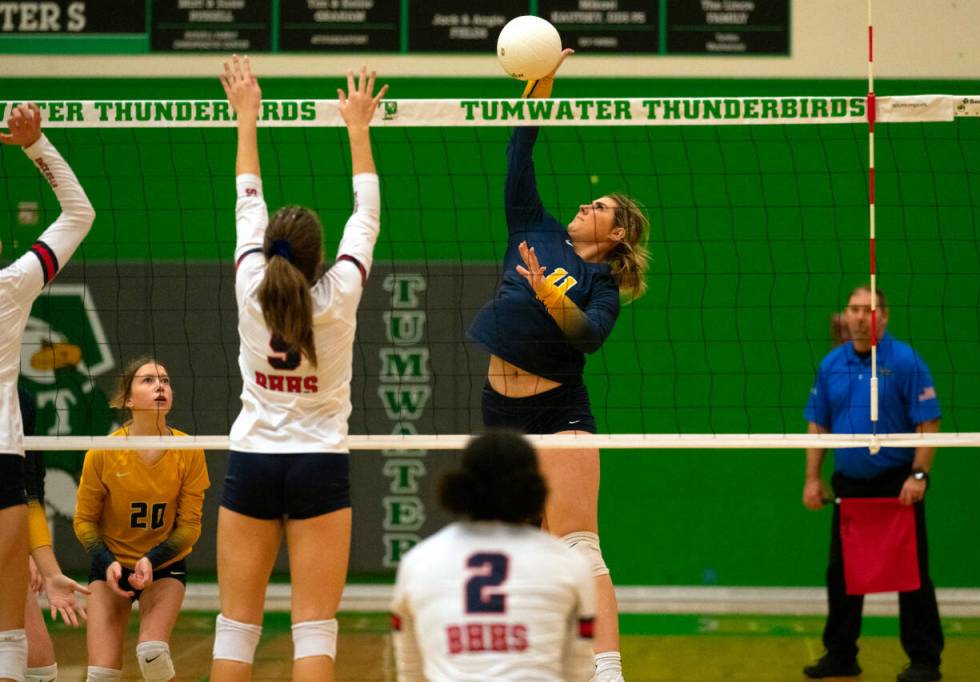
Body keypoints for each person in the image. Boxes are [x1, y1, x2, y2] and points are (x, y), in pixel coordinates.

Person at [465, 50, 650, 682]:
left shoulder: (600, 282)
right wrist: (543, 78)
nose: (586, 206)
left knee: (577, 545)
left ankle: (607, 671)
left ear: (618, 233)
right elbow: (522, 147)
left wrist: (550, 294)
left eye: (600, 206)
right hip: (500, 410)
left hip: (559, 410)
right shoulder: (534, 227)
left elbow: (589, 337)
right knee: (517, 549)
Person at [210, 56, 386, 682]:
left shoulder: (248, 281)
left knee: (236, 626)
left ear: (269, 251)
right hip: (320, 463)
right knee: (313, 626)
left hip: (253, 460)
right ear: (315, 258)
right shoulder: (338, 294)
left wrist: (247, 117)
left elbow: (246, 196)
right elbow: (365, 217)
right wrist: (357, 128)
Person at [802, 286, 943, 682]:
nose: (860, 317)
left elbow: (928, 421)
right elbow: (818, 425)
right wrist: (813, 478)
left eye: (869, 310)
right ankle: (841, 656)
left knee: (912, 575)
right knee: (842, 574)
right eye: (853, 309)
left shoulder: (906, 361)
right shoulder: (832, 364)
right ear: (845, 315)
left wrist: (919, 475)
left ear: (884, 316)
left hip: (898, 486)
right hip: (850, 486)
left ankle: (925, 660)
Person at [0, 102, 95, 682]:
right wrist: (36, 145)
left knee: (22, 640)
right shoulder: (11, 287)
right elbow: (78, 213)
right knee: (12, 634)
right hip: (1, 457)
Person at [390, 429, 596, 682]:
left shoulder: (418, 561)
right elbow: (579, 672)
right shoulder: (570, 564)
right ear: (534, 487)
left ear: (461, 484)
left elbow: (411, 673)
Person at [74, 358, 210, 682]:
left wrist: (152, 559)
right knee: (101, 674)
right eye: (147, 380)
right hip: (112, 566)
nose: (160, 386)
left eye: (164, 380)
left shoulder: (188, 450)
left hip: (163, 566)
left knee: (153, 654)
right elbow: (83, 521)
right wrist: (107, 561)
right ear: (128, 399)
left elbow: (190, 527)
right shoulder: (103, 453)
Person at [21, 388, 90, 682]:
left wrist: (33, 555)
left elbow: (28, 487)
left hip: (6, 537)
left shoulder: (21, 400)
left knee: (40, 664)